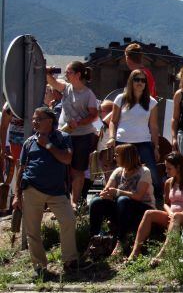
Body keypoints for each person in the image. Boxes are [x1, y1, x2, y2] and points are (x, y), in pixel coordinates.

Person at [12, 107, 79, 275]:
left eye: (39, 119)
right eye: (34, 119)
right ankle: (40, 267)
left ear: (50, 121)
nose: (34, 122)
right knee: (32, 230)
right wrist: (17, 195)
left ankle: (69, 261)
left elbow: (67, 159)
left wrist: (48, 145)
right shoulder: (29, 142)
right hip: (32, 189)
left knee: (68, 221)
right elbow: (21, 169)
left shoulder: (63, 138)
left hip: (57, 191)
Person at [127, 152, 183, 265]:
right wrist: (170, 212)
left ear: (178, 167)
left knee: (177, 216)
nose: (166, 171)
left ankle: (163, 254)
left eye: (169, 168)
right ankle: (135, 252)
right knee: (149, 213)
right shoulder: (169, 182)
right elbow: (165, 203)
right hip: (173, 216)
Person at [46, 61, 99, 210]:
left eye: (69, 72)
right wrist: (48, 72)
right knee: (60, 167)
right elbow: (53, 83)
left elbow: (94, 116)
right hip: (64, 134)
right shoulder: (66, 88)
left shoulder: (88, 94)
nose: (66, 74)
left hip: (82, 135)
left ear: (78, 74)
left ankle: (74, 202)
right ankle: (59, 200)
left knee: (77, 169)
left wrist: (79, 123)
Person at [88, 144, 156, 257]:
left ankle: (121, 240)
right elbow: (108, 190)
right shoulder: (118, 171)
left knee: (122, 199)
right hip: (121, 206)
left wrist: (117, 192)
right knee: (96, 201)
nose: (114, 158)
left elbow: (138, 196)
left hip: (142, 207)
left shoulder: (144, 171)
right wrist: (105, 194)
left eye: (117, 155)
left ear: (126, 157)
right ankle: (94, 239)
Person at [105, 69, 162, 201]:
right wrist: (112, 137)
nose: (140, 83)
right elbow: (113, 121)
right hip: (123, 141)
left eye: (143, 80)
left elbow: (154, 126)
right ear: (131, 81)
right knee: (120, 172)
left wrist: (156, 147)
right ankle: (112, 199)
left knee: (152, 172)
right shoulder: (121, 98)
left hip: (143, 141)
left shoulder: (151, 102)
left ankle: (158, 201)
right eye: (137, 79)